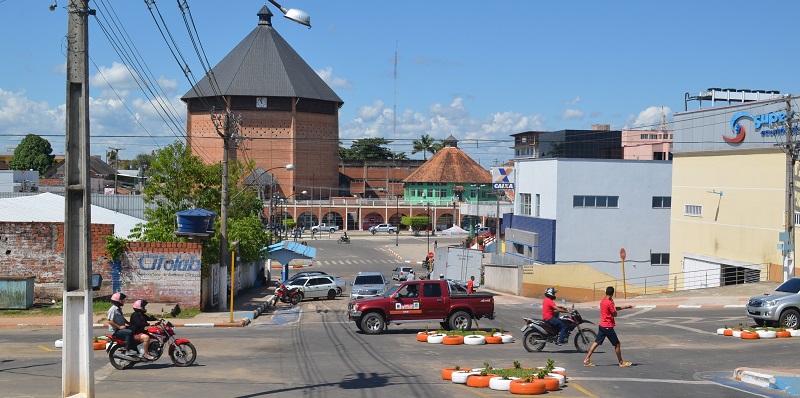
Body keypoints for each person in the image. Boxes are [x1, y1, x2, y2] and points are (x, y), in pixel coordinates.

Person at [584, 286, 633, 367]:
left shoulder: (603, 301)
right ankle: (621, 362)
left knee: (596, 343)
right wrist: (613, 303)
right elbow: (614, 314)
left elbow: (612, 309)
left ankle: (587, 359)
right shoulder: (610, 303)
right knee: (617, 344)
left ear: (606, 292)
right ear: (612, 293)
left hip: (602, 326)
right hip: (608, 327)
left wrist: (625, 307)